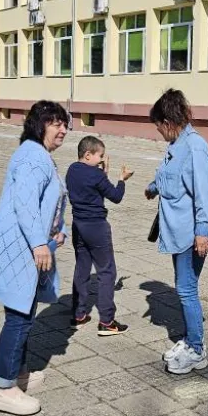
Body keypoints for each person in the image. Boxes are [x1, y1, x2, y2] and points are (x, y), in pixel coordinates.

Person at [0, 100, 69, 415]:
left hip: (23, 243)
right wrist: (39, 243)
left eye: (65, 124)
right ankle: (4, 389)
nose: (63, 130)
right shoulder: (33, 156)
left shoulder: (37, 154)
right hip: (19, 245)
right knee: (19, 316)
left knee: (23, 312)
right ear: (39, 125)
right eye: (56, 123)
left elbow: (48, 204)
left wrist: (57, 232)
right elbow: (26, 204)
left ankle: (19, 373)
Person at [145, 89, 208, 374]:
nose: (158, 132)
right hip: (177, 231)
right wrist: (153, 188)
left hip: (192, 234)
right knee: (184, 287)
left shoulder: (194, 147)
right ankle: (190, 340)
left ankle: (196, 349)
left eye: (158, 126)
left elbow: (205, 193)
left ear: (168, 122)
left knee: (187, 289)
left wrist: (203, 232)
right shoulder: (177, 145)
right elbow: (170, 177)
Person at [66, 135, 133, 335]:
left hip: (78, 225)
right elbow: (116, 196)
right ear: (88, 154)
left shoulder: (72, 170)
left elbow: (89, 188)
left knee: (82, 269)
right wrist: (121, 180)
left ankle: (78, 314)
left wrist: (102, 174)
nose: (102, 160)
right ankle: (106, 321)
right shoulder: (96, 175)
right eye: (100, 156)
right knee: (106, 272)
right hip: (96, 226)